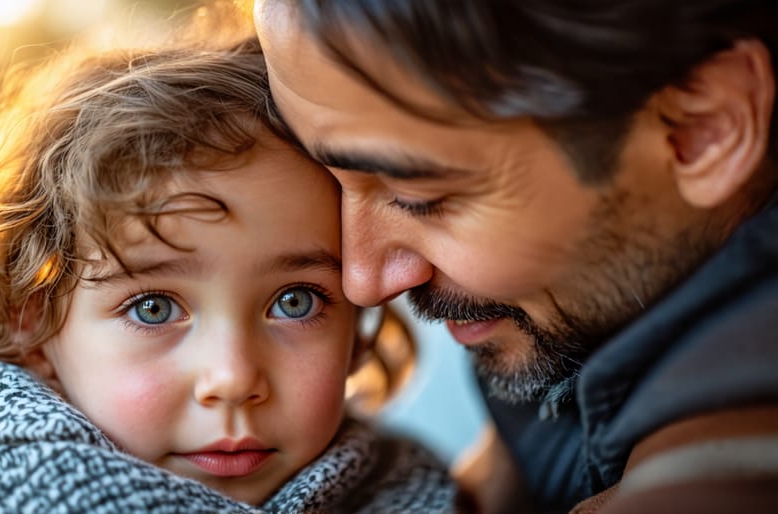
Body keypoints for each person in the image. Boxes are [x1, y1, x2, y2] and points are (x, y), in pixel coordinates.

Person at [0, 31, 459, 513]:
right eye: (153, 307)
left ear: (357, 322)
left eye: (295, 301)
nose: (232, 379)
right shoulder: (2, 487)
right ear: (35, 324)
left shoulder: (405, 481)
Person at [253, 1, 778, 512]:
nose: (363, 283)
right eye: (326, 182)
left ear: (702, 126)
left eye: (419, 196)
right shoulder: (566, 319)